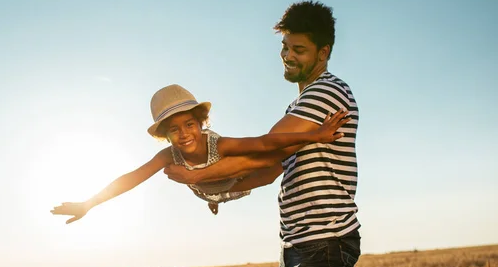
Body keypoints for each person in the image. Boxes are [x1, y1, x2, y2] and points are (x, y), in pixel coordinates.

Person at [164, 0, 360, 267]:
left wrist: (196, 176)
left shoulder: (325, 93)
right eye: (285, 46)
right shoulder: (298, 105)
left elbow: (263, 154)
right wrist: (219, 191)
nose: (287, 56)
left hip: (324, 241)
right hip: (294, 245)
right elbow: (270, 171)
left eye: (299, 49)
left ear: (323, 53)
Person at [51, 83, 349, 222]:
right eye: (175, 129)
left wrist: (316, 135)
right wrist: (89, 203)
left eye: (190, 124)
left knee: (272, 168)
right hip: (204, 189)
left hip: (236, 182)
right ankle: (213, 200)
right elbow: (132, 178)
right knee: (210, 192)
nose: (184, 134)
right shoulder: (168, 156)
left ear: (202, 123)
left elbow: (261, 142)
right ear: (165, 135)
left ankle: (219, 197)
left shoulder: (217, 144)